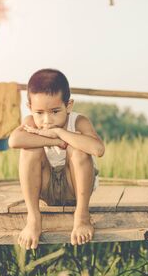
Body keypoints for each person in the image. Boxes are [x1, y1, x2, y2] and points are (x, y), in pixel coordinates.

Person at [8, 68, 105, 250]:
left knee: (79, 149)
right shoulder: (30, 123)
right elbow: (14, 141)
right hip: (45, 189)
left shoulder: (78, 121)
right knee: (29, 150)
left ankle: (82, 216)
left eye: (54, 111)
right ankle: (33, 218)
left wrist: (61, 132)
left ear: (68, 105)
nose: (47, 120)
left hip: (74, 189)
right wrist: (55, 140)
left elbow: (98, 149)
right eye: (40, 112)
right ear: (30, 108)